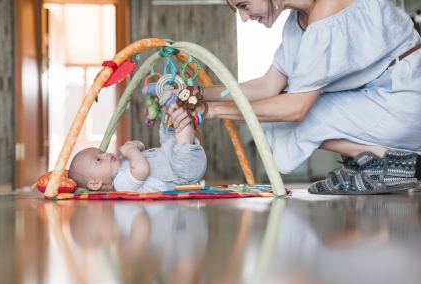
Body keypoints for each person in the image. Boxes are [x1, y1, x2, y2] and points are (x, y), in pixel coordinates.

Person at [168, 0, 421, 195]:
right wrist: (197, 93)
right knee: (274, 114)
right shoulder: (297, 21)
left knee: (285, 114)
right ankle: (369, 161)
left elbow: (296, 109)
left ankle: (383, 160)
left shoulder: (328, 8)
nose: (245, 17)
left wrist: (212, 110)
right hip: (379, 96)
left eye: (244, 6)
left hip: (404, 97)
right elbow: (268, 86)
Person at [68, 123, 207, 192]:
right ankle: (184, 113)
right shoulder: (120, 183)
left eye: (101, 152)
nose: (105, 154)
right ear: (95, 184)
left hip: (171, 156)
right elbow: (142, 169)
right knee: (181, 135)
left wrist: (134, 145)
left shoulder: (122, 160)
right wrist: (130, 150)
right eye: (98, 160)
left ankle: (171, 105)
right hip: (181, 172)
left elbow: (142, 147)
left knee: (165, 129)